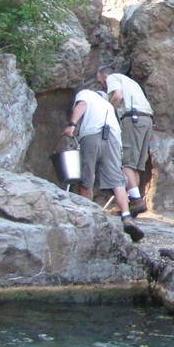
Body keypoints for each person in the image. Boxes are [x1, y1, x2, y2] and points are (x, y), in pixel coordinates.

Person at [63, 86, 143, 242]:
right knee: (117, 180)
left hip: (92, 135)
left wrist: (71, 125)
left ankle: (87, 215)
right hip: (113, 139)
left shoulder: (86, 94)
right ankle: (127, 217)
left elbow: (82, 105)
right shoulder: (108, 106)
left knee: (86, 177)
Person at [99, 64, 153, 216]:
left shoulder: (112, 78)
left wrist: (108, 112)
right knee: (135, 165)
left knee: (126, 162)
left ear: (104, 76)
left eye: (101, 82)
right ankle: (134, 202)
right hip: (146, 120)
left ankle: (136, 199)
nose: (103, 86)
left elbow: (117, 96)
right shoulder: (130, 82)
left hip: (132, 119)